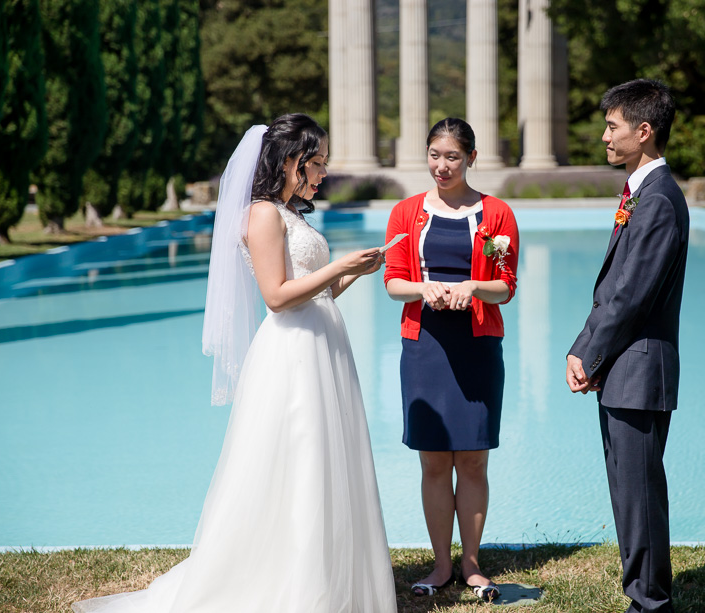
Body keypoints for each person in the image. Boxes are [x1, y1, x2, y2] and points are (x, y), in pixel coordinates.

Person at [72, 114, 397, 612]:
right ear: (289, 161)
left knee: (328, 464)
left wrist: (356, 271)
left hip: (323, 345)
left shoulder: (295, 214)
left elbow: (320, 288)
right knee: (299, 462)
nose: (323, 173)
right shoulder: (262, 214)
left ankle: (332, 581)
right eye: (317, 163)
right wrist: (337, 266)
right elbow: (277, 296)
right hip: (292, 354)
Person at [565, 79, 689, 613]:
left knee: (638, 498)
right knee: (629, 495)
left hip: (638, 374)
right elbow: (613, 289)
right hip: (623, 371)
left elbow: (631, 297)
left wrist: (587, 354)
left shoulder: (659, 200)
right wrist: (585, 348)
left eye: (612, 127)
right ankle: (643, 594)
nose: (604, 136)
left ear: (644, 131)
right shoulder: (642, 191)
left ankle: (650, 603)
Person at [383, 118, 519, 603]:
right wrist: (426, 289)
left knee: (475, 461)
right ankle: (442, 564)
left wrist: (470, 288)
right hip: (425, 346)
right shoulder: (404, 213)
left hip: (477, 345)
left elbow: (505, 286)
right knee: (435, 461)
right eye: (434, 155)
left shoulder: (497, 214)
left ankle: (472, 564)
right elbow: (394, 282)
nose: (442, 166)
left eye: (453, 157)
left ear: (471, 159)